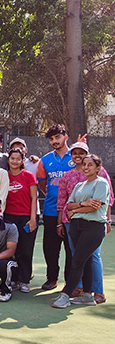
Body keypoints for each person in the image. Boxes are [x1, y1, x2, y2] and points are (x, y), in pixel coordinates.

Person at [56, 143, 113, 304]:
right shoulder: (79, 185)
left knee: (79, 260)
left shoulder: (101, 183)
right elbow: (68, 205)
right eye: (85, 164)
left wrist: (76, 210)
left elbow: (95, 207)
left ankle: (66, 294)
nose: (86, 167)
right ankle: (87, 295)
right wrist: (82, 204)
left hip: (93, 227)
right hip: (76, 226)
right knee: (84, 259)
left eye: (90, 165)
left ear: (98, 168)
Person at [36, 124, 74, 290]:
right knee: (50, 247)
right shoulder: (45, 160)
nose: (54, 141)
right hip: (51, 210)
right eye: (51, 139)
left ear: (65, 136)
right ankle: (52, 278)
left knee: (71, 247)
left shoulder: (76, 156)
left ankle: (70, 281)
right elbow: (42, 183)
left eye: (57, 137)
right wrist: (52, 194)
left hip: (73, 211)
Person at [3, 148, 39, 293]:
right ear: (8, 160)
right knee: (11, 250)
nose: (15, 161)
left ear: (23, 161)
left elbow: (34, 198)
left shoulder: (28, 176)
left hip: (25, 218)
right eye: (12, 158)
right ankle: (12, 278)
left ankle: (24, 280)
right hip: (8, 217)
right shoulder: (3, 175)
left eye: (18, 159)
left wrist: (33, 219)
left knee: (25, 250)